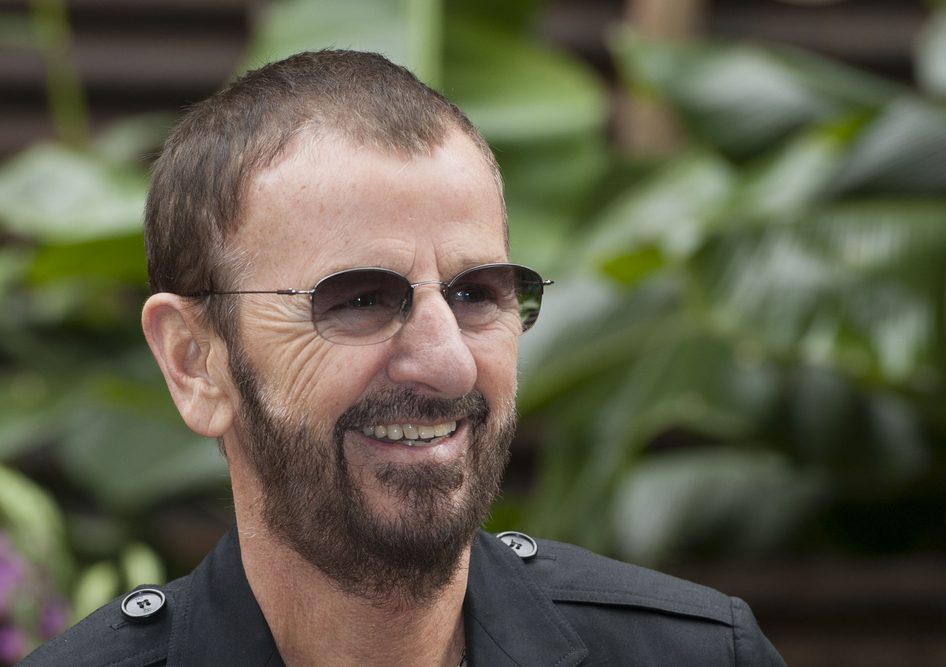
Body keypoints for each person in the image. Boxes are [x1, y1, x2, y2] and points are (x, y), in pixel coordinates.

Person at [20, 50, 785, 667]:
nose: (449, 364)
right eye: (359, 299)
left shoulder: (697, 653)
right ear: (194, 361)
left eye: (478, 293)